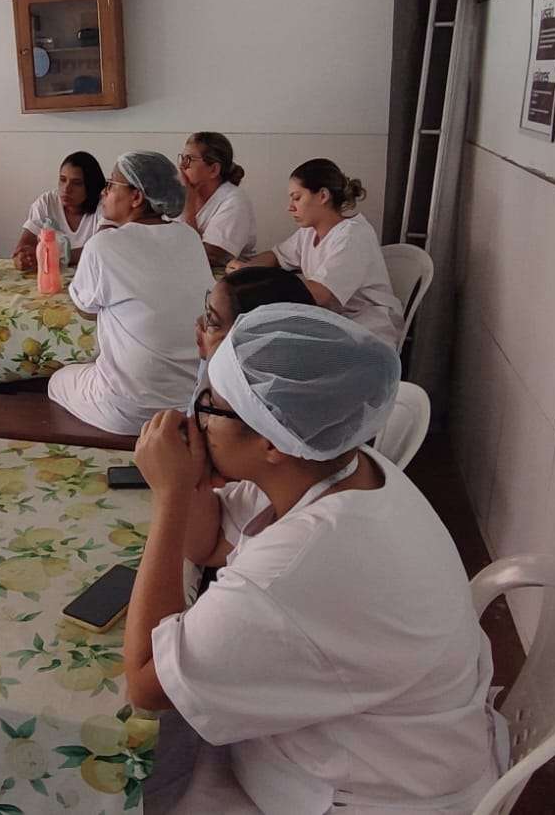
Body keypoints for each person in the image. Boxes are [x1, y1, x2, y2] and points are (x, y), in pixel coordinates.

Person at [128, 304, 504, 815]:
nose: (194, 420)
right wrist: (191, 479)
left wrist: (170, 496)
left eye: (211, 406)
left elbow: (147, 685)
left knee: (151, 779)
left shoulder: (296, 569)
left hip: (375, 794)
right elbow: (209, 542)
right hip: (400, 742)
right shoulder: (342, 463)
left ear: (271, 442)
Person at [48, 151, 214, 435]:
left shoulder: (104, 245)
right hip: (192, 401)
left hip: (129, 408)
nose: (103, 192)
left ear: (136, 197)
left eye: (111, 185)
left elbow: (85, 310)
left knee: (56, 381)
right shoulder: (189, 237)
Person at [227, 158, 404, 346]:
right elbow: (276, 256)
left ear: (322, 196)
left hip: (366, 331)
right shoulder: (309, 232)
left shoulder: (353, 235)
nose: (290, 207)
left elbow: (320, 294)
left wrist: (258, 281)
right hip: (335, 321)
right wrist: (246, 268)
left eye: (297, 198)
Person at [10, 151, 106, 271]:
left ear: (92, 186)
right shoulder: (47, 202)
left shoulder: (105, 206)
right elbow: (24, 245)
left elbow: (101, 250)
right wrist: (22, 257)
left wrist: (54, 256)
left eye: (77, 183)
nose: (66, 189)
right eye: (62, 179)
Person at [178, 132, 257, 266]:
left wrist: (189, 211)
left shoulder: (235, 201)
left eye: (189, 159)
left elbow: (209, 259)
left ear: (213, 170)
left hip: (226, 276)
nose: (182, 166)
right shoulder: (180, 195)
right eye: (182, 158)